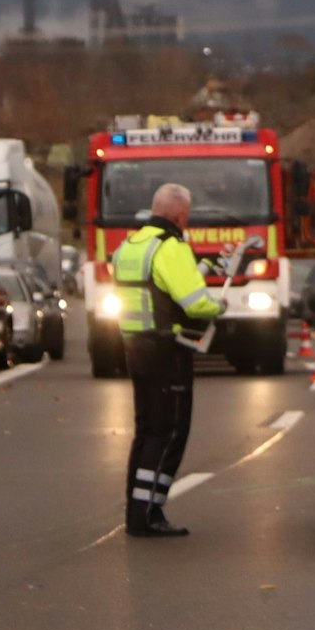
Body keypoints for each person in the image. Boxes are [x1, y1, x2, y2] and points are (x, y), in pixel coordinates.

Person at [114, 182, 224, 537]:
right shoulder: (171, 246)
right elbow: (194, 303)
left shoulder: (131, 245)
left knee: (146, 430)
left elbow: (156, 288)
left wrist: (201, 268)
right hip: (167, 350)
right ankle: (148, 514)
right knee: (170, 431)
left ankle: (137, 508)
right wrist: (218, 306)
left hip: (135, 346)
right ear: (180, 215)